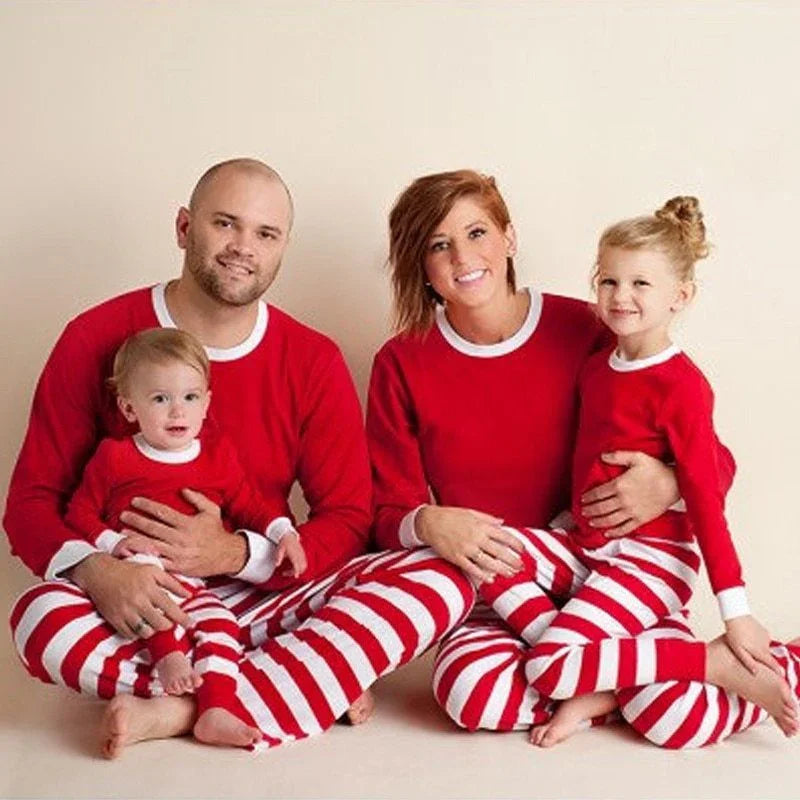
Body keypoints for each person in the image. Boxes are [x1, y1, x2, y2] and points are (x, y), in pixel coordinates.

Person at [6, 158, 474, 757]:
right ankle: (300, 684)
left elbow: (350, 517)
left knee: (442, 580)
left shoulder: (312, 359)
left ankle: (179, 710)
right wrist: (101, 574)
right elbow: (31, 503)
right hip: (151, 604)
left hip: (268, 597)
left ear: (282, 249)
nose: (242, 248)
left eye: (265, 233)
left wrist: (235, 552)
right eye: (224, 224)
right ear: (184, 228)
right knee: (38, 619)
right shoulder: (93, 337)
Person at [367, 169, 800, 748]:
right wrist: (427, 521)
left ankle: (755, 666)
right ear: (418, 263)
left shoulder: (591, 327)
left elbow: (711, 459)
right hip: (506, 582)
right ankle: (628, 672)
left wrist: (665, 484)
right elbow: (382, 509)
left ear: (509, 239)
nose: (463, 257)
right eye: (438, 244)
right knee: (470, 692)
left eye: (476, 233)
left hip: (615, 572)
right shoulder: (402, 362)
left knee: (672, 716)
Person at [64, 327, 306, 748]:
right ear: (129, 407)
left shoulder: (217, 456)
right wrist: (111, 543)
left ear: (207, 402)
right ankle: (168, 657)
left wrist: (284, 531)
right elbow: (78, 511)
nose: (177, 411)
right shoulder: (115, 456)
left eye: (190, 398)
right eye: (160, 399)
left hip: (200, 583)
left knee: (219, 624)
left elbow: (249, 504)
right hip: (139, 572)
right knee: (145, 572)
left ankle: (213, 709)